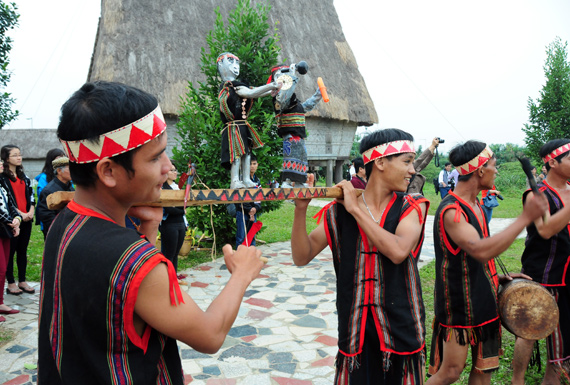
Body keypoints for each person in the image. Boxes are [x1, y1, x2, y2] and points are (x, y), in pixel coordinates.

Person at [38, 81, 265, 384]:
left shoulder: (63, 224)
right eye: (155, 157)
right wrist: (241, 273)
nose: (167, 167)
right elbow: (210, 335)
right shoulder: (137, 263)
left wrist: (149, 226)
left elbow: (113, 312)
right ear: (108, 171)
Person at [292, 128, 429, 384]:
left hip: (400, 327)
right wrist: (301, 210)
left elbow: (399, 251)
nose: (413, 170)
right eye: (407, 162)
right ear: (379, 162)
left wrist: (356, 210)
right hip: (356, 330)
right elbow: (302, 255)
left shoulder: (412, 206)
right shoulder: (339, 213)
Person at [426, 141, 547, 385]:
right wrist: (525, 217)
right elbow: (480, 250)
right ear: (480, 170)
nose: (497, 170)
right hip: (459, 303)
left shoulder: (477, 205)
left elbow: (476, 257)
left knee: (485, 369)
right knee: (451, 371)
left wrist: (495, 277)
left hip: (485, 297)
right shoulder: (452, 211)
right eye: (494, 165)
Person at [511, 139, 570, 384]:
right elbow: (545, 230)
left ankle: (551, 378)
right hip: (544, 272)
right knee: (530, 331)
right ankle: (517, 381)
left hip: (567, 275)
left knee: (562, 342)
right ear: (553, 163)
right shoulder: (536, 195)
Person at [217, 52, 280, 189]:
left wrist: (272, 91)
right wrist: (272, 86)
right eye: (231, 61)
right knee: (237, 154)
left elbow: (257, 92)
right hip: (233, 127)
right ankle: (235, 180)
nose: (235, 66)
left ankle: (246, 179)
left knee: (246, 153)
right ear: (221, 64)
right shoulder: (231, 86)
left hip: (242, 126)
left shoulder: (239, 85)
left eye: (237, 63)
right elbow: (251, 93)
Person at [269, 62, 322, 187]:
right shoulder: (279, 97)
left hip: (299, 135)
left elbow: (305, 106)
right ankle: (287, 181)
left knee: (302, 158)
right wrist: (291, 76)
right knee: (290, 156)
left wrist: (317, 95)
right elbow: (284, 97)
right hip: (289, 134)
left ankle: (299, 181)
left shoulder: (293, 101)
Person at [0, 145, 35, 295]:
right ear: (6, 159)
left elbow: (31, 196)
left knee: (23, 250)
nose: (19, 158)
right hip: (13, 220)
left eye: (19, 155)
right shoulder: (2, 178)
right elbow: (8, 201)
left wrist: (31, 211)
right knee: (11, 251)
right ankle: (11, 282)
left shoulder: (24, 177)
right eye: (15, 155)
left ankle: (22, 280)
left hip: (26, 219)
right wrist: (19, 214)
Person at [0, 159, 21, 322]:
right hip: (3, 225)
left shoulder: (3, 183)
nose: (1, 163)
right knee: (0, 268)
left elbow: (11, 204)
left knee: (4, 266)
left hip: (4, 229)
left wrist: (16, 219)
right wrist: (9, 219)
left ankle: (0, 303)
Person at [35, 156, 74, 239]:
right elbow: (46, 215)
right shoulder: (49, 190)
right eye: (69, 169)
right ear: (59, 171)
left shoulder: (70, 187)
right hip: (56, 232)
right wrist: (61, 228)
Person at [159, 164, 187, 273]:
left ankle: (174, 276)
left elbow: (185, 205)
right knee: (169, 254)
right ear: (165, 172)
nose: (175, 172)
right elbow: (169, 210)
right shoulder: (163, 188)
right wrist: (181, 210)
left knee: (176, 253)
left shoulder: (177, 187)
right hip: (169, 224)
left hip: (180, 223)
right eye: (172, 170)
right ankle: (167, 279)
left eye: (175, 170)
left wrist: (179, 209)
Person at [35, 148, 66, 234]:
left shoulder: (67, 178)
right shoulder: (44, 178)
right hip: (50, 216)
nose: (62, 160)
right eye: (59, 158)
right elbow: (43, 198)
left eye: (64, 157)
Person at [235, 154, 262, 248]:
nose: (252, 166)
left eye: (254, 164)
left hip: (253, 212)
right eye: (250, 164)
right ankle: (239, 259)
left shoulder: (257, 181)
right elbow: (239, 197)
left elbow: (259, 197)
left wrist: (255, 208)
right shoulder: (240, 180)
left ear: (257, 164)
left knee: (252, 236)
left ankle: (252, 258)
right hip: (242, 211)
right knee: (241, 237)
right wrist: (249, 209)